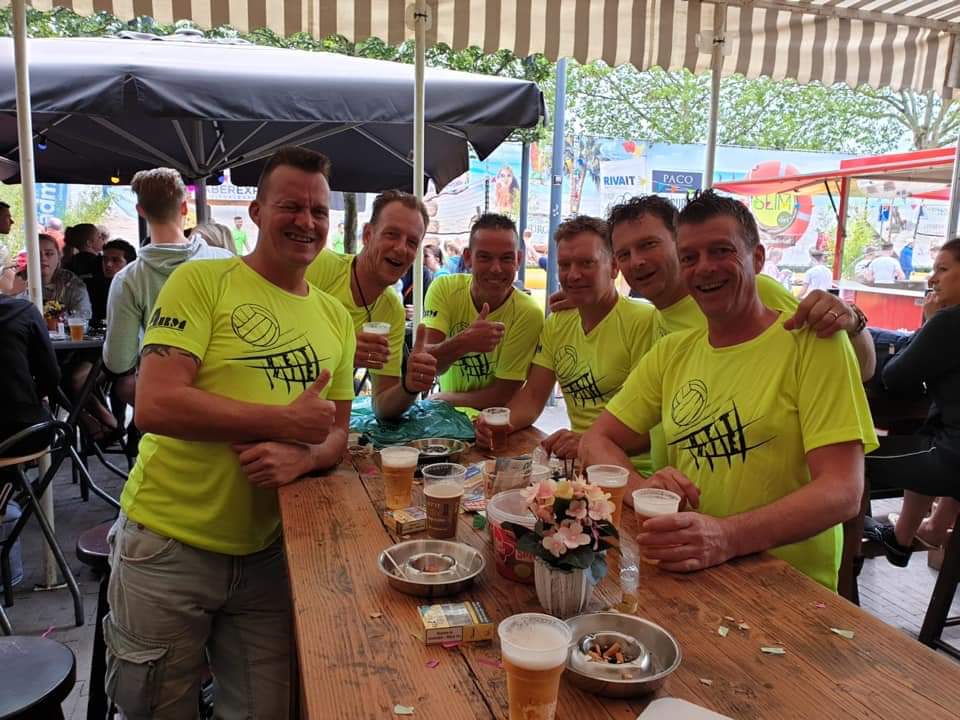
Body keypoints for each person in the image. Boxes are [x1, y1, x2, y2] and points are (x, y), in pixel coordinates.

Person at [104, 146, 356, 719]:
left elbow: (336, 434)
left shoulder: (335, 317)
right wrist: (283, 423)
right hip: (169, 545)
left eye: (319, 210)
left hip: (268, 553)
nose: (307, 221)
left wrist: (305, 459)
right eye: (291, 206)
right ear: (257, 213)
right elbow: (155, 403)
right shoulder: (202, 280)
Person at [580, 191, 878, 591]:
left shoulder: (812, 342)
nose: (705, 267)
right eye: (690, 257)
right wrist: (640, 489)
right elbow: (597, 440)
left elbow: (843, 490)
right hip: (690, 570)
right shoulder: (672, 350)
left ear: (758, 258)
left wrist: (726, 536)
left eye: (721, 251)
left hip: (787, 589)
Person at [474, 215, 656, 468]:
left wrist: (587, 442)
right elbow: (532, 397)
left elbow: (655, 427)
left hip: (635, 471)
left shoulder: (644, 320)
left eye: (586, 263)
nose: (573, 275)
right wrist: (501, 424)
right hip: (576, 467)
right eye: (564, 265)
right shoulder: (558, 323)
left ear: (614, 267)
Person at [864, 238, 960, 566]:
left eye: (942, 269)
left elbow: (895, 376)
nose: (933, 278)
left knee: (850, 457)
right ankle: (914, 534)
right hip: (947, 451)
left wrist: (930, 322)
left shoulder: (948, 322)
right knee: (926, 433)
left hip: (952, 461)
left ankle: (849, 558)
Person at [305, 189, 437, 420]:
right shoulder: (319, 267)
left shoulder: (391, 310)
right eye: (391, 234)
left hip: (327, 424)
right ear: (367, 235)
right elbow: (268, 340)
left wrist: (409, 386)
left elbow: (383, 406)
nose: (401, 248)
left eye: (412, 242)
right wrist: (342, 350)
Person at [104, 168, 231, 405]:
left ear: (140, 211)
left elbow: (118, 361)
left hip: (166, 398)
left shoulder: (128, 279)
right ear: (184, 208)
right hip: (227, 392)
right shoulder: (226, 262)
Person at [423, 213, 543, 411]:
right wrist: (464, 342)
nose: (496, 269)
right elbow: (427, 365)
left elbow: (502, 394)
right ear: (467, 258)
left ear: (518, 260)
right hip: (448, 417)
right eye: (485, 257)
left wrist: (444, 399)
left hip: (496, 420)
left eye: (506, 258)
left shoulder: (528, 313)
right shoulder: (444, 289)